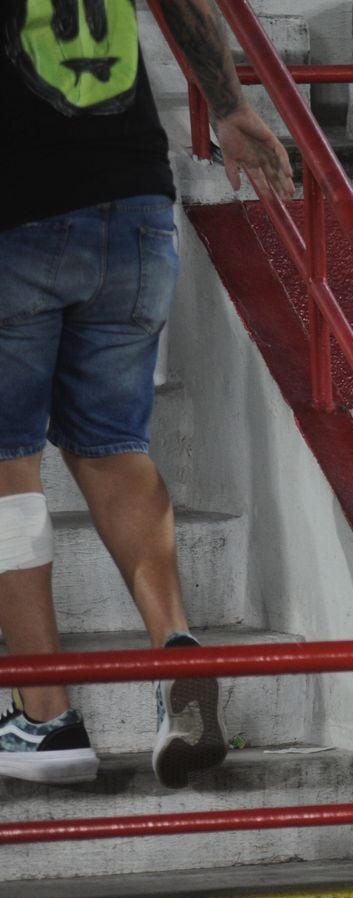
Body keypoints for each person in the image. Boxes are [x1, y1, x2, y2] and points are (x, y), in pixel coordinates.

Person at [0, 0, 293, 787]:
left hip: (16, 208)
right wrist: (229, 106)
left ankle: (43, 718)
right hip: (133, 206)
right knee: (113, 449)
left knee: (5, 470)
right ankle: (175, 648)